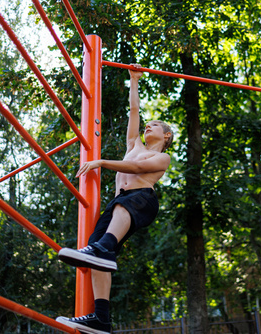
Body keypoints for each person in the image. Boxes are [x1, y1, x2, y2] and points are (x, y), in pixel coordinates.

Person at [56, 64, 173, 334]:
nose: (147, 127)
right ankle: (101, 319)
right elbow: (134, 111)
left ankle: (105, 247)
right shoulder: (134, 144)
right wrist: (134, 81)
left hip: (141, 200)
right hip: (119, 205)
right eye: (147, 125)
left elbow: (135, 169)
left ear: (166, 135)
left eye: (153, 126)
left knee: (108, 235)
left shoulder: (163, 157)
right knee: (95, 254)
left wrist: (101, 162)